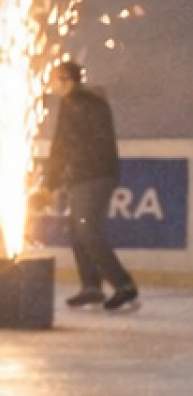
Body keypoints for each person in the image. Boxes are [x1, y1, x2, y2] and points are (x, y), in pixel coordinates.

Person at [43, 60, 138, 312]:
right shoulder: (81, 101)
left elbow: (64, 145)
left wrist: (50, 183)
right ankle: (91, 287)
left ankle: (124, 285)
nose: (51, 84)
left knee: (87, 231)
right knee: (78, 230)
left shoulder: (79, 104)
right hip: (87, 175)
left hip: (93, 176)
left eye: (55, 79)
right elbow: (65, 146)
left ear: (67, 79)